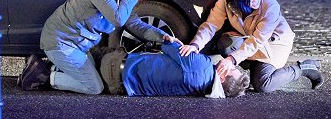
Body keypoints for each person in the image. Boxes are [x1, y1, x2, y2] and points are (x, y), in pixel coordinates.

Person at [18, 0, 181, 94]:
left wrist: (162, 36)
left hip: (77, 45)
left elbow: (134, 24)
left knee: (91, 74)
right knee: (94, 87)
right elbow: (118, 19)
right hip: (60, 42)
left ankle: (44, 66)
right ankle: (43, 76)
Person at [179, 0, 324, 93]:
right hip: (250, 38)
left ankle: (304, 68)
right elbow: (211, 24)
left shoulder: (270, 6)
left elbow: (257, 40)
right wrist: (195, 45)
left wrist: (232, 59)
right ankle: (256, 67)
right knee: (225, 44)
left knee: (263, 85)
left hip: (274, 43)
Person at [96, 41, 251, 98]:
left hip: (114, 64)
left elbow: (168, 45)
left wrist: (173, 41)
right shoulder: (203, 90)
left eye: (231, 69)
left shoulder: (201, 66)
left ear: (223, 78)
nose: (230, 65)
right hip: (118, 87)